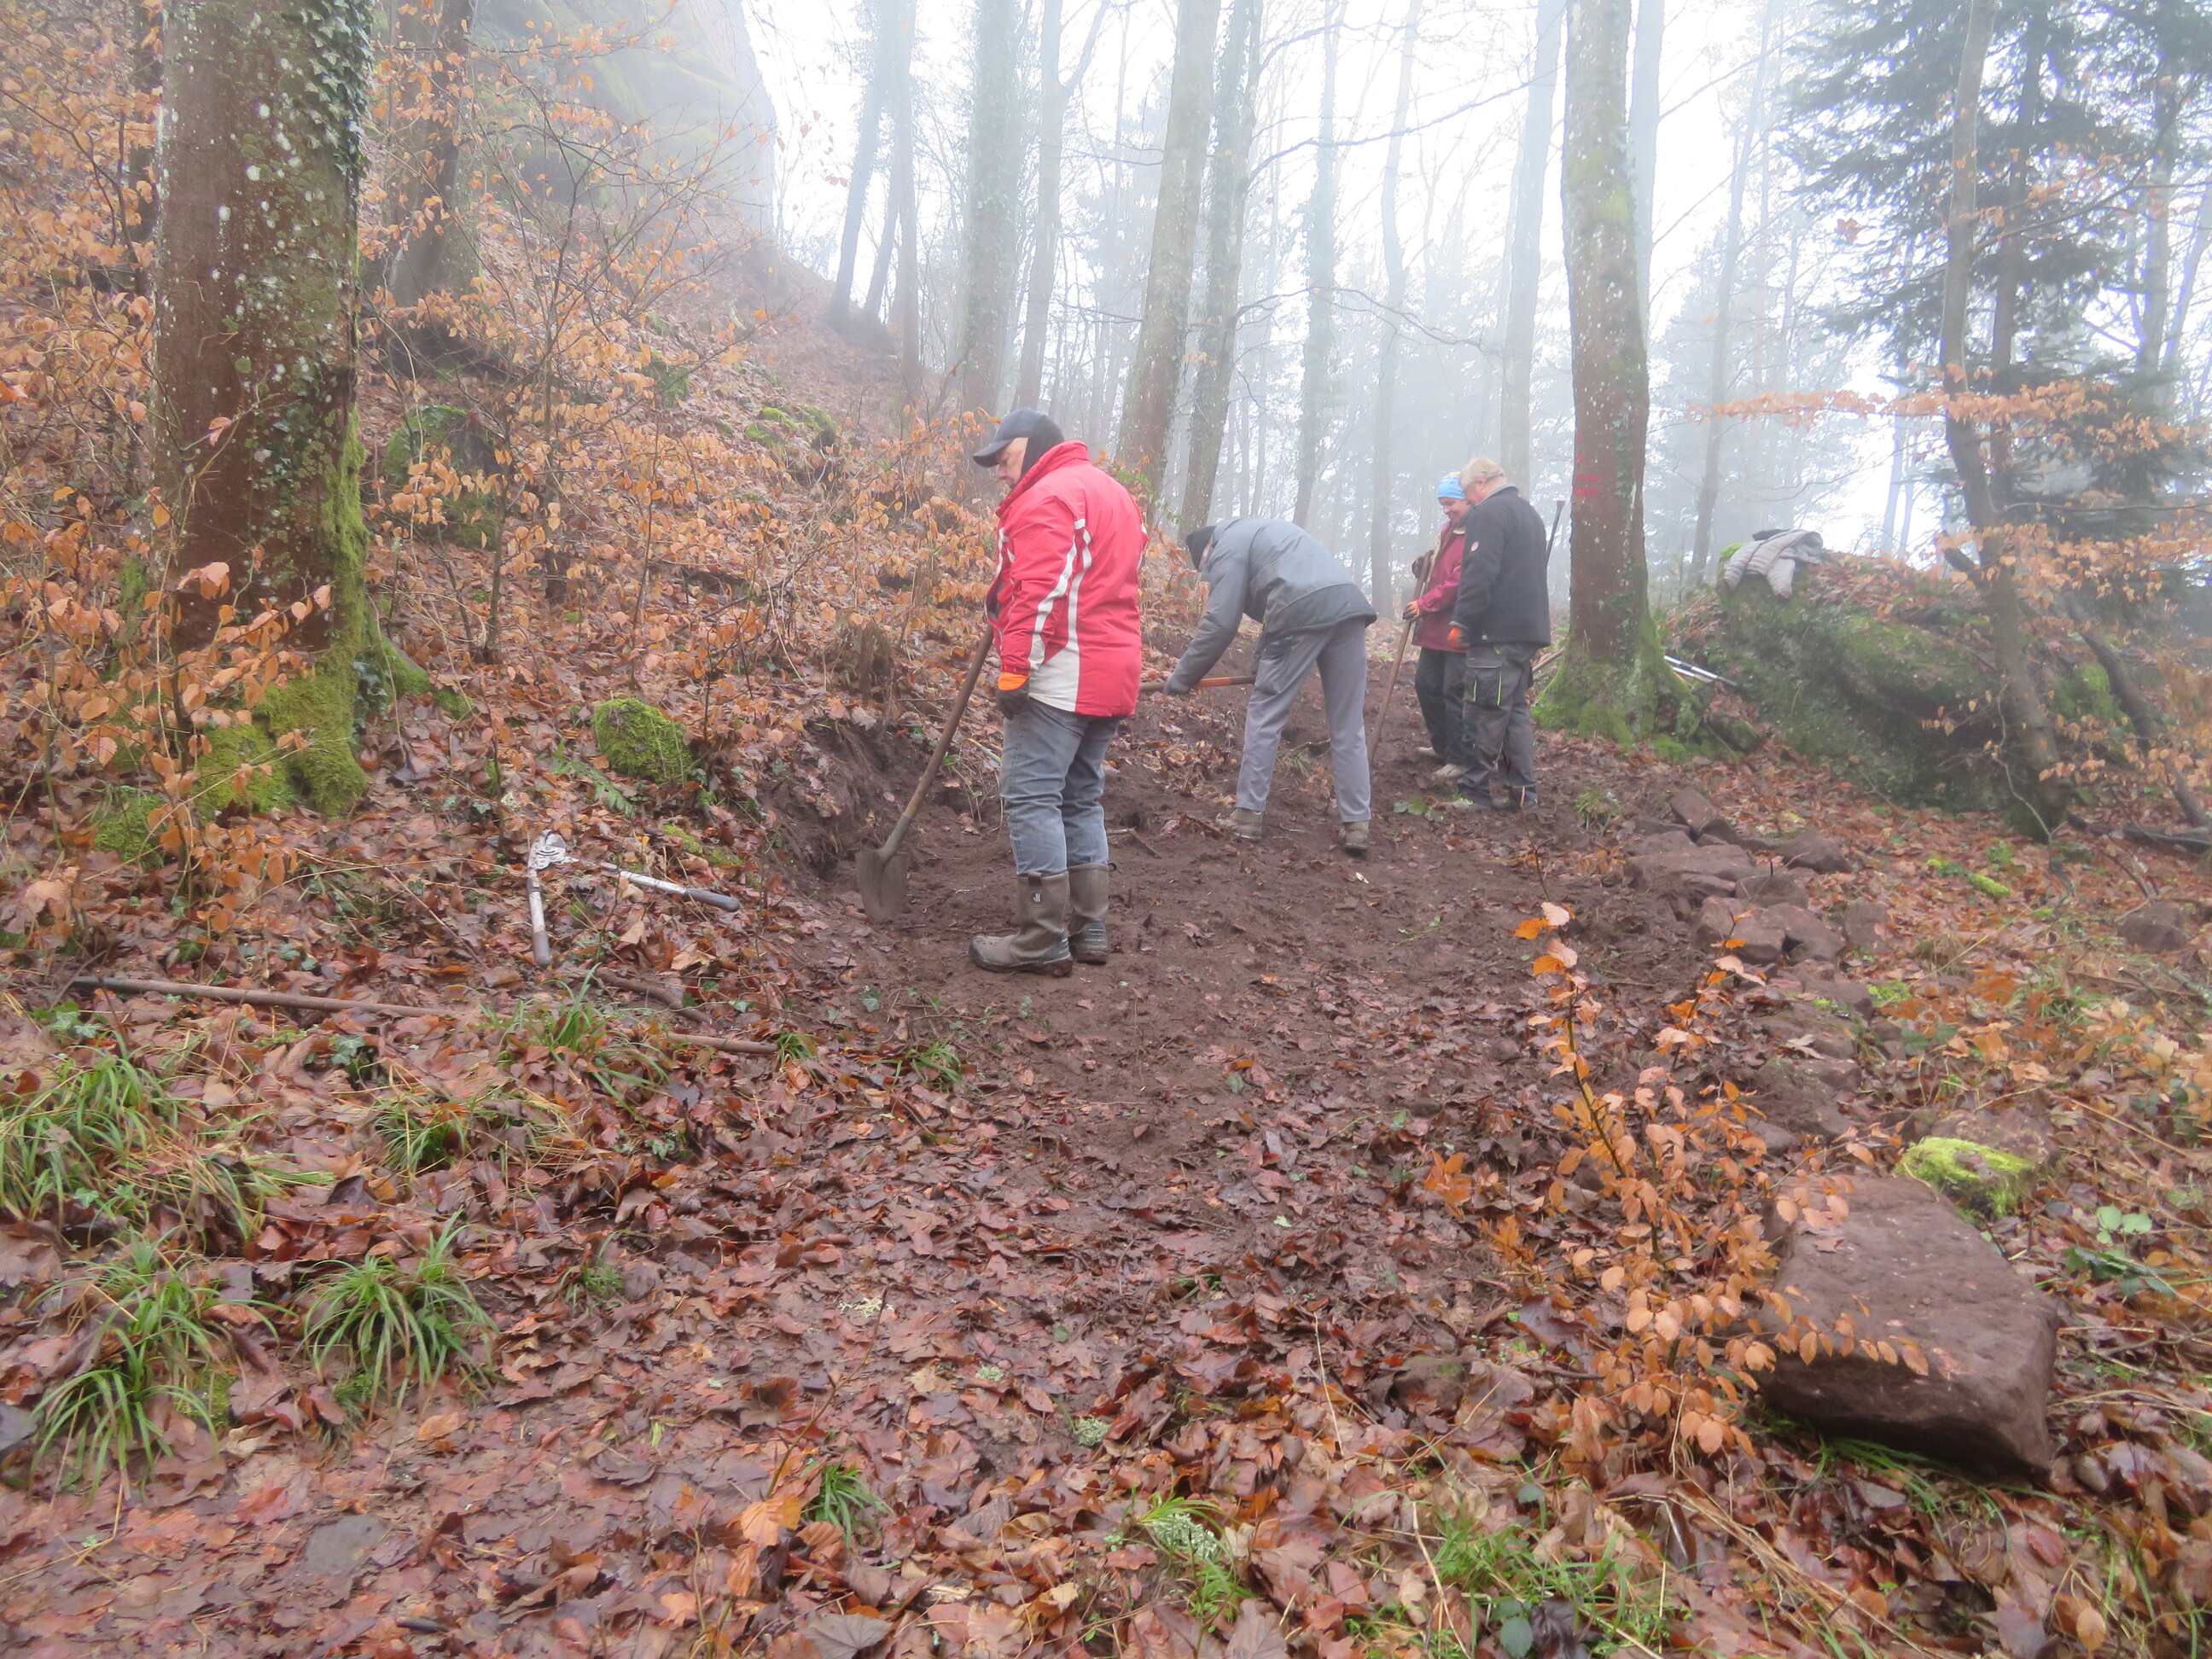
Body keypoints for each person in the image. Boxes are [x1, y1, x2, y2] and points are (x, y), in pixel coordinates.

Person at [968, 408, 1145, 974]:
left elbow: (1038, 590)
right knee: (1080, 797)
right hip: (1113, 671)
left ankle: (1041, 937)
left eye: (1005, 458)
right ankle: (1089, 928)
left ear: (1036, 445)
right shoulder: (1112, 492)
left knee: (1031, 796)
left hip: (1063, 673)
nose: (1001, 473)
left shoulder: (1049, 495)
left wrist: (1015, 668)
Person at [1164, 519, 1377, 855]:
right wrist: (1262, 659)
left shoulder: (1225, 545)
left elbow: (1221, 622)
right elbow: (1275, 599)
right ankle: (1357, 823)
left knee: (1266, 713)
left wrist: (1182, 678)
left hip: (1300, 609)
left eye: (1205, 571)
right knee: (1348, 722)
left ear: (1207, 550)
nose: (1209, 577)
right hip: (1349, 606)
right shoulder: (1261, 534)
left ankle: (1247, 817)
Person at [1445, 457, 1551, 811]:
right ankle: (1522, 794)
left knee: (1482, 713)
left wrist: (1462, 622)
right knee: (1514, 716)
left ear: (1481, 482)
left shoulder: (1488, 514)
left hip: (1495, 634)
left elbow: (1479, 572)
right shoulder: (1528, 512)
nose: (1467, 500)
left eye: (1467, 492)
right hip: (1526, 634)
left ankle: (1474, 792)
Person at [1406, 476, 1471, 780]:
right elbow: (1440, 571)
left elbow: (1458, 582)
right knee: (1426, 684)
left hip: (1459, 627)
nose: (1446, 510)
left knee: (1454, 692)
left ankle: (1460, 758)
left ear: (1467, 499)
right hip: (1435, 630)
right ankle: (1442, 746)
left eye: (1450, 503)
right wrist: (1423, 567)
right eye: (1443, 504)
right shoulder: (1448, 531)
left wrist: (1425, 603)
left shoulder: (1475, 534)